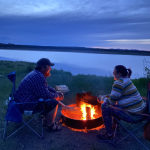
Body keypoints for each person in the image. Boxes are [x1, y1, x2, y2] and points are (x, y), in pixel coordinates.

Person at [14, 58, 65, 131]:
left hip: (21, 102)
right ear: (43, 67)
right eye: (49, 66)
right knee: (53, 102)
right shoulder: (38, 76)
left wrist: (55, 92)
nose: (50, 69)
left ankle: (46, 120)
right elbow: (45, 95)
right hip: (26, 105)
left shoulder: (36, 73)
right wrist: (58, 97)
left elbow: (45, 87)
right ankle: (50, 125)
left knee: (49, 99)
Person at [97, 65, 146, 140]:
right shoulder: (127, 80)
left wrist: (102, 98)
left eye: (114, 71)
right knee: (116, 107)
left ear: (119, 74)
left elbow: (111, 102)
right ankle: (115, 128)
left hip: (134, 115)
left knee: (105, 106)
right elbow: (116, 95)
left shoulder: (119, 83)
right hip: (141, 112)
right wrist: (105, 96)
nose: (113, 72)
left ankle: (109, 134)